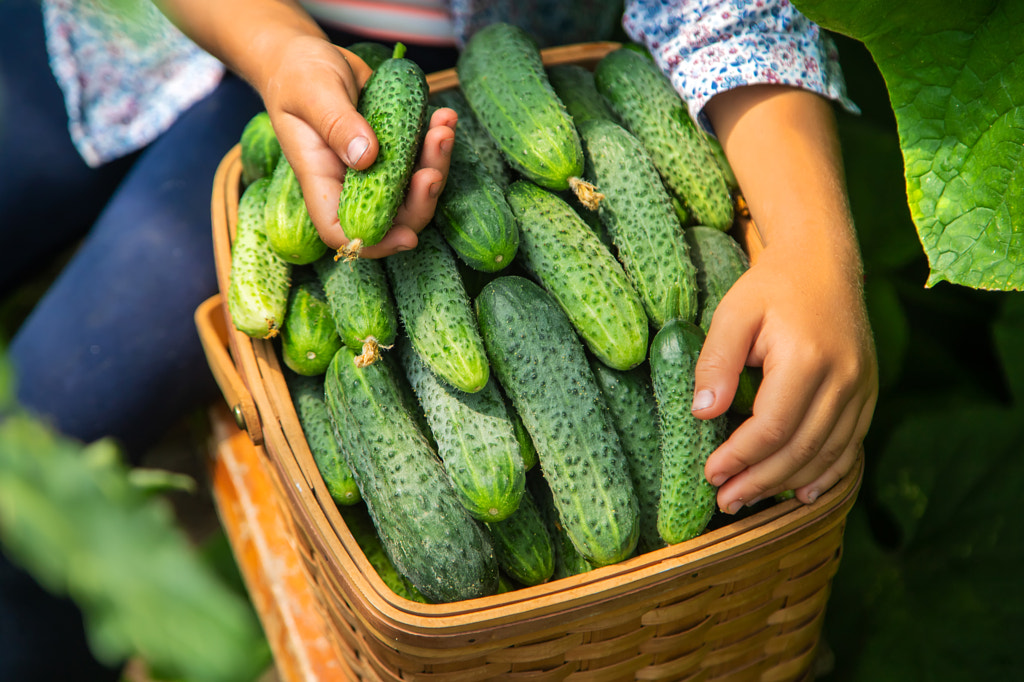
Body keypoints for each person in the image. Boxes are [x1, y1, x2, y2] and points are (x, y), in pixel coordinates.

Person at [0, 0, 876, 679]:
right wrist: (276, 49)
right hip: (145, 35)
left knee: (32, 447)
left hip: (448, 90)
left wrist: (813, 250)